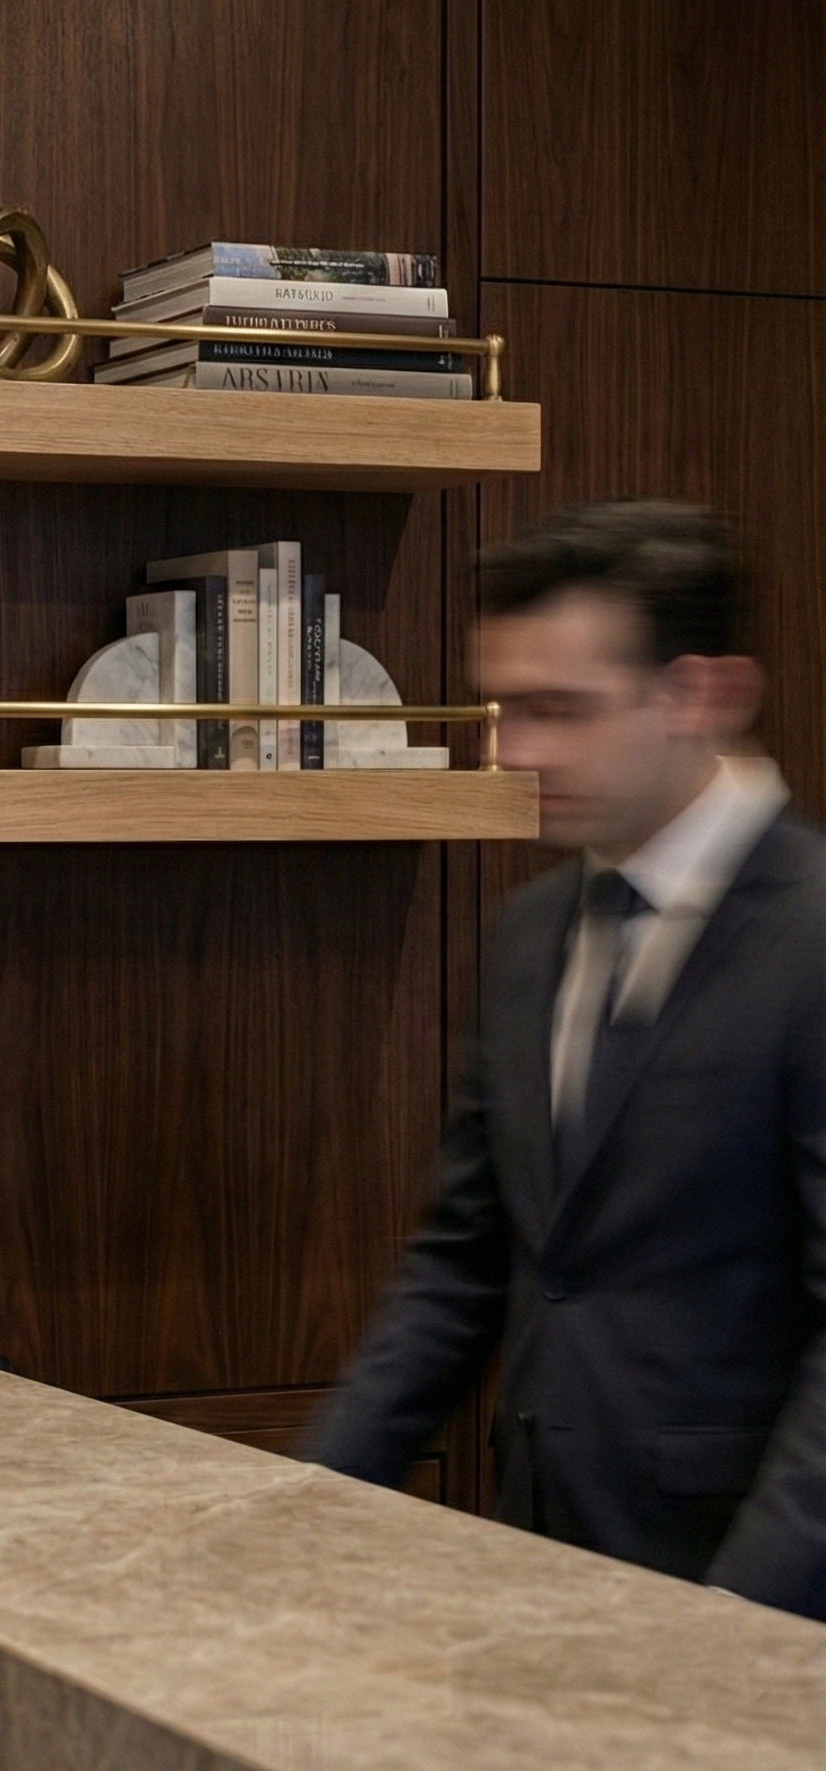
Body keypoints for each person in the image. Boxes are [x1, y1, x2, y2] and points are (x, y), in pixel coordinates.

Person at [309, 500, 826, 1619]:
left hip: (759, 1605)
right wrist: (302, 1510)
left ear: (701, 695)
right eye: (506, 705)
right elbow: (464, 1258)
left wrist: (742, 1624)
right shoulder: (528, 934)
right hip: (545, 1567)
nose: (514, 748)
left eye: (560, 710)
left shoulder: (817, 938)